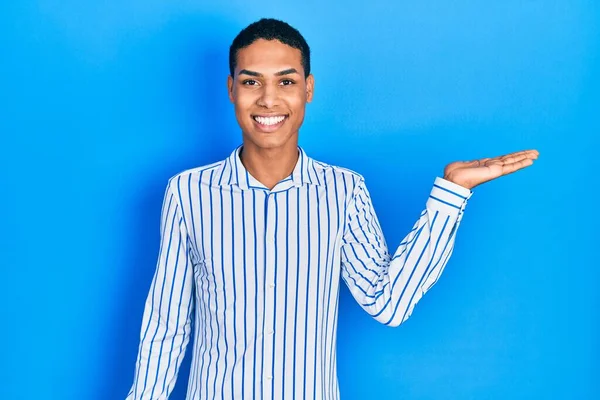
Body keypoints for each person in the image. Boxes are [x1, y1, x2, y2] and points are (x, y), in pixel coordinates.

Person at [126, 18, 538, 400]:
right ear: (231, 88)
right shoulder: (188, 192)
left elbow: (388, 303)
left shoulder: (344, 191)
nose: (268, 99)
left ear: (308, 89)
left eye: (285, 81)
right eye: (252, 82)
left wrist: (452, 192)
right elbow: (166, 324)